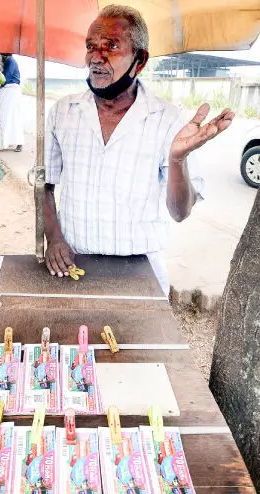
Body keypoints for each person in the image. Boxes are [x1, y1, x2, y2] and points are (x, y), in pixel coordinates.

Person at [44, 5, 233, 295]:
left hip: (141, 272)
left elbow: (180, 212)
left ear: (140, 60)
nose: (96, 57)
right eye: (91, 46)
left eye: (111, 46)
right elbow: (44, 185)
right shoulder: (63, 112)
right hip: (73, 265)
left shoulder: (166, 119)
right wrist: (54, 238)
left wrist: (177, 159)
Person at [0, 53, 23, 152]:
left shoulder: (10, 62)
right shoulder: (8, 61)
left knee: (13, 117)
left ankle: (19, 143)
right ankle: (5, 143)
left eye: (0, 55)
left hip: (11, 91)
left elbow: (4, 79)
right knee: (6, 118)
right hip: (8, 92)